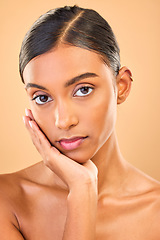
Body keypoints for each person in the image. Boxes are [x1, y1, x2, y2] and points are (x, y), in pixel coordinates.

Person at [0, 5, 159, 240]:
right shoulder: (8, 200)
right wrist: (82, 191)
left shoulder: (155, 210)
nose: (63, 121)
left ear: (121, 87)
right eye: (42, 98)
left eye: (83, 90)